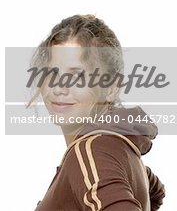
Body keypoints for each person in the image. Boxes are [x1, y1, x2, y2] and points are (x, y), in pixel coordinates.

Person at [30, 15, 165, 210]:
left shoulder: (88, 152)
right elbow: (156, 191)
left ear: (111, 88)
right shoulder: (112, 151)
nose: (59, 87)